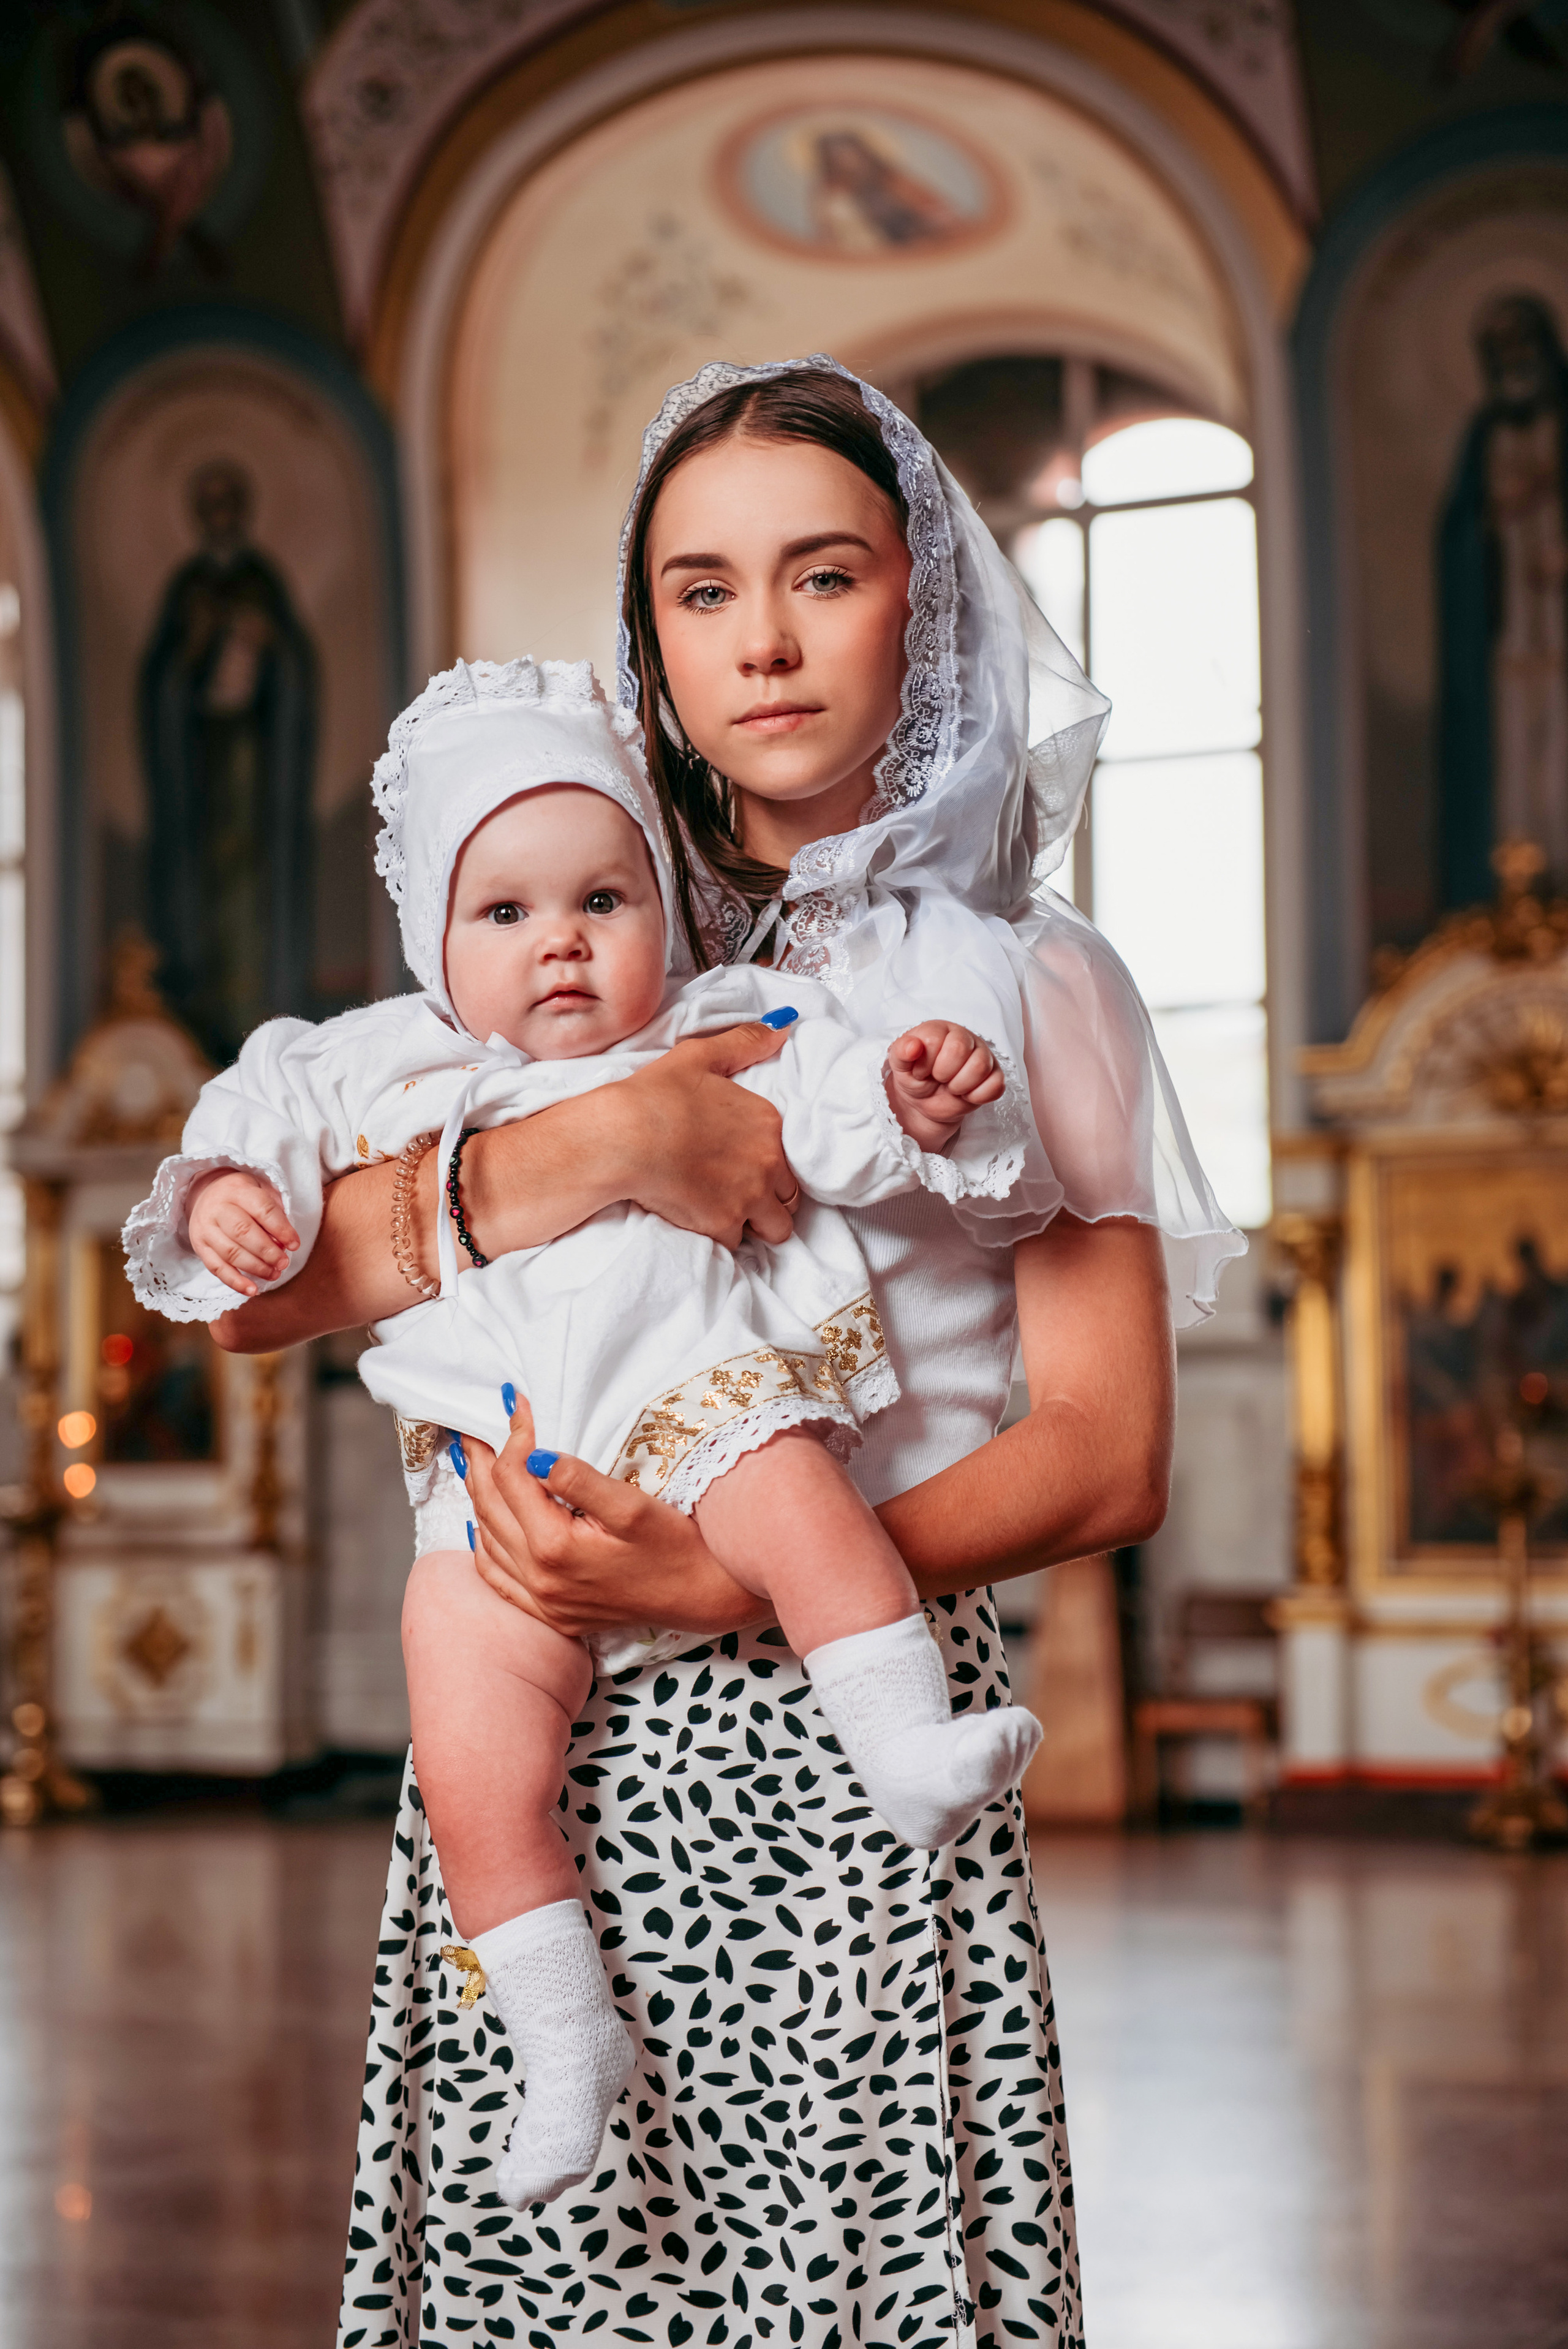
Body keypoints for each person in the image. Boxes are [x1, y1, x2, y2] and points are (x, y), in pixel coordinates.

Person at [216, 358, 1239, 2348]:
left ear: (920, 604)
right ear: (648, 639)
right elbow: (271, 1285)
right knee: (557, 2274)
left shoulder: (1033, 977)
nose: (761, 639)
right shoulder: (567, 920)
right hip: (541, 1730)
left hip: (845, 1741)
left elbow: (1112, 1455)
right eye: (701, 589)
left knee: (835, 2274)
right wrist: (608, 1132)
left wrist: (720, 1574)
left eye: (822, 574)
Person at [125, 652, 1042, 2210]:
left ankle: (901, 1744)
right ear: (435, 942)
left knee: (798, 1500)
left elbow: (837, 1111)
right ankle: (563, 2044)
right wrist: (231, 1195)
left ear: (659, 916)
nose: (560, 943)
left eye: (602, 903)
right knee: (472, 1760)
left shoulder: (724, 1015)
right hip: (488, 1507)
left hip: (703, 1402)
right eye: (507, 914)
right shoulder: (372, 1059)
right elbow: (248, 1134)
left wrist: (914, 1096)